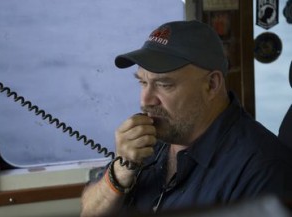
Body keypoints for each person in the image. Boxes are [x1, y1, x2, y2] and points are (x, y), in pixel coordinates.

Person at [80, 20, 292, 217]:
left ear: (211, 85)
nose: (146, 100)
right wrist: (119, 172)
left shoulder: (262, 168)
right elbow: (88, 211)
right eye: (142, 83)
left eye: (164, 85)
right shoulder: (150, 140)